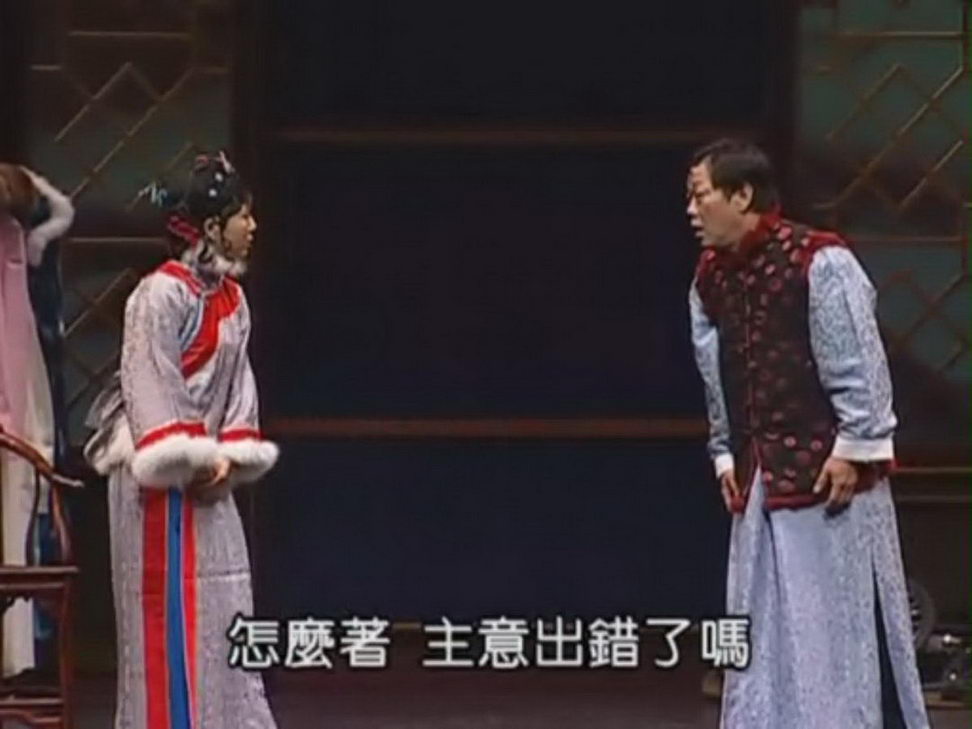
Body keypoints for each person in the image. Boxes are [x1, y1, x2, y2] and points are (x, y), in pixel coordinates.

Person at [686, 138, 931, 728]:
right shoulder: (712, 278)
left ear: (741, 195)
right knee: (763, 626)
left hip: (828, 475)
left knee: (832, 631)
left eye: (700, 195)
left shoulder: (817, 260)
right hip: (762, 476)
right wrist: (725, 451)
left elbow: (858, 359)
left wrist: (856, 446)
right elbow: (717, 371)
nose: (691, 211)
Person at [85, 152, 279, 729]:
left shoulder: (233, 300)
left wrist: (229, 457)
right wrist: (190, 459)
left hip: (211, 472)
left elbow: (239, 391)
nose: (253, 226)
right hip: (158, 477)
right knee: (166, 615)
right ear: (212, 227)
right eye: (243, 215)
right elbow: (151, 383)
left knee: (223, 605)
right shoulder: (158, 296)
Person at [0, 163, 71, 678]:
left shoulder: (18, 249)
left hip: (15, 420)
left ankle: (15, 656)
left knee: (15, 537)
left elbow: (62, 210)